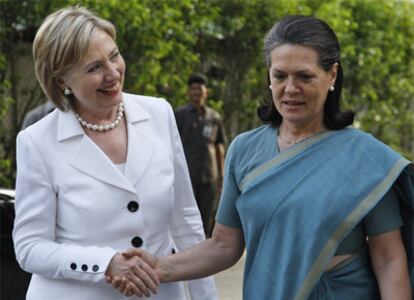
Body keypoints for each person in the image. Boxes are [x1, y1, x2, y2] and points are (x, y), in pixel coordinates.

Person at [108, 15, 414, 299]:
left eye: (304, 77)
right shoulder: (244, 150)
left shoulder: (365, 158)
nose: (290, 89)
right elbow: (224, 245)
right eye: (280, 75)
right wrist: (158, 267)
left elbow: (389, 257)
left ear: (331, 74)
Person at [12, 6, 217, 300]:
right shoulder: (36, 140)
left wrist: (205, 297)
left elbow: (186, 222)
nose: (113, 73)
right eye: (94, 68)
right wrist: (105, 263)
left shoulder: (159, 112)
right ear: (62, 81)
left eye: (114, 56)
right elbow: (30, 247)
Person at [175, 74, 226, 236]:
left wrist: (221, 175)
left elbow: (219, 147)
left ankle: (203, 250)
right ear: (188, 92)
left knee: (207, 215)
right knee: (185, 215)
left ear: (206, 92)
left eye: (200, 88)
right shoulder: (180, 115)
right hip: (185, 176)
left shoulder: (214, 117)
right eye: (193, 88)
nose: (197, 92)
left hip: (209, 175)